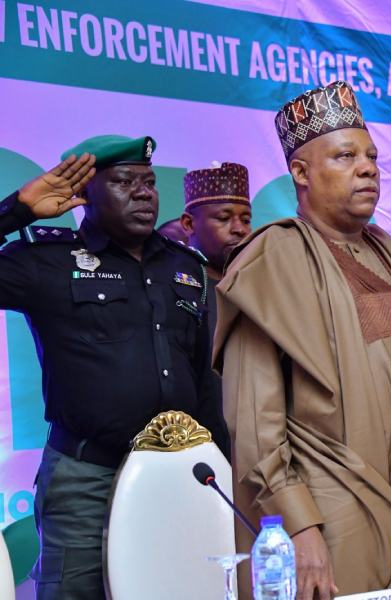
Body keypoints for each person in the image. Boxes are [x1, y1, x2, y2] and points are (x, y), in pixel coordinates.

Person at [213, 81, 391, 599]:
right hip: (333, 519)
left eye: (371, 156)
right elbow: (256, 425)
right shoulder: (270, 263)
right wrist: (300, 528)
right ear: (301, 172)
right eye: (345, 156)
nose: (368, 168)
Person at [0, 136, 229, 599]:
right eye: (125, 182)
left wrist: (219, 465)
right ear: (86, 193)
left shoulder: (186, 269)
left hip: (181, 474)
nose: (144, 192)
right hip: (88, 478)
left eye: (148, 182)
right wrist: (18, 210)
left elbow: (204, 379)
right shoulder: (48, 262)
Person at [180, 161, 252, 336]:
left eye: (246, 220)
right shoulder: (171, 286)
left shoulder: (261, 285)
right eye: (223, 218)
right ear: (189, 224)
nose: (239, 229)